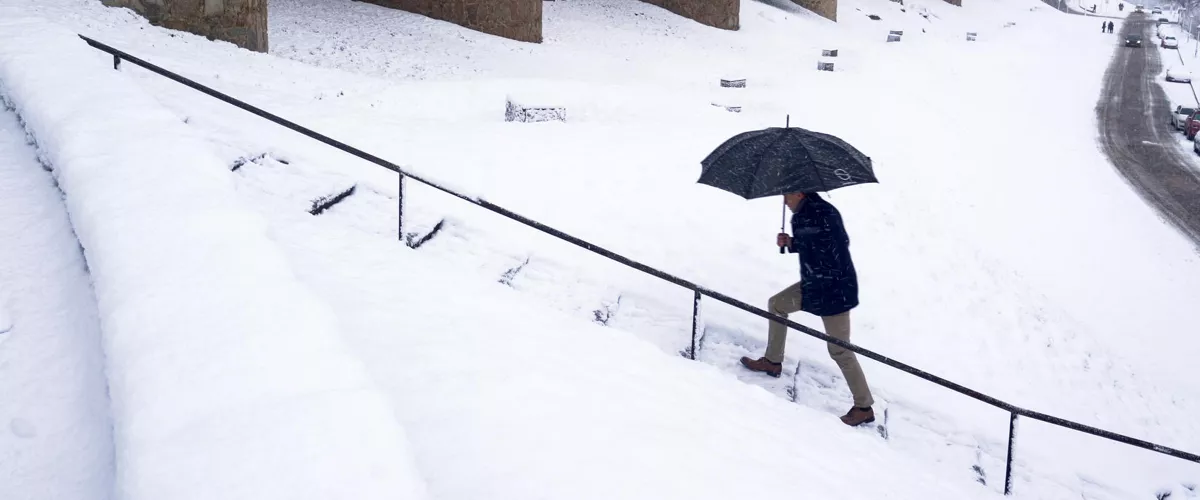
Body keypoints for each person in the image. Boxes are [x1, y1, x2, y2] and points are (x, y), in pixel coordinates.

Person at [739, 192, 875, 427]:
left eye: (787, 196)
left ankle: (864, 407)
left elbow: (833, 248)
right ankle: (772, 361)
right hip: (814, 287)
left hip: (834, 292)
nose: (785, 201)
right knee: (777, 305)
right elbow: (816, 244)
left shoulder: (822, 214)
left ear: (799, 192)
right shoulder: (807, 214)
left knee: (840, 350)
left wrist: (801, 243)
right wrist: (792, 243)